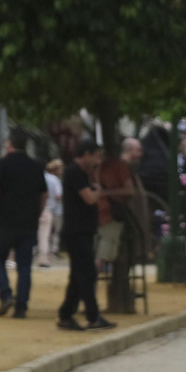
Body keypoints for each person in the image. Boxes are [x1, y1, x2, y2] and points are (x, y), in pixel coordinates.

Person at [0, 128, 49, 319]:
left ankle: (5, 294)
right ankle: (22, 306)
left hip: (5, 221)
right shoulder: (35, 166)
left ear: (9, 143)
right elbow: (44, 194)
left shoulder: (2, 165)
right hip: (28, 222)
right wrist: (38, 213)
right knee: (24, 265)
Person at [57, 141, 114, 332]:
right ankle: (92, 315)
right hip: (76, 230)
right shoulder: (74, 172)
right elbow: (89, 198)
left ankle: (66, 314)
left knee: (78, 274)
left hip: (84, 230)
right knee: (87, 273)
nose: (98, 160)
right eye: (96, 156)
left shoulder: (83, 174)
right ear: (86, 154)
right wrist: (98, 191)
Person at [95, 137, 141, 271]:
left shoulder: (98, 166)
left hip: (99, 212)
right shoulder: (119, 166)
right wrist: (106, 193)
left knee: (102, 252)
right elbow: (129, 190)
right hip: (110, 214)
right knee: (103, 254)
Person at [39, 159, 63, 268]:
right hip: (49, 210)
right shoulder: (54, 180)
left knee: (38, 235)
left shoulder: (38, 178)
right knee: (46, 235)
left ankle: (37, 255)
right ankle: (44, 258)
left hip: (36, 210)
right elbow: (58, 195)